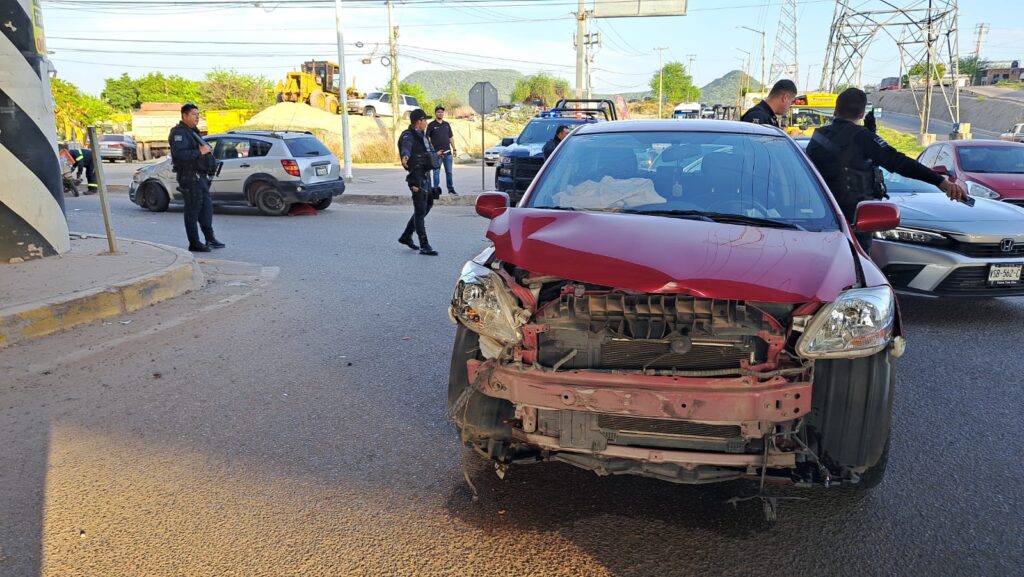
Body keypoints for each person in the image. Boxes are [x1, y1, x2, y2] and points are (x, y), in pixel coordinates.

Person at [806, 88, 967, 251]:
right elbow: (898, 162)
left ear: (835, 110)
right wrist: (940, 182)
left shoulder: (817, 137)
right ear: (862, 114)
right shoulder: (862, 137)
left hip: (816, 219)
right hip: (855, 222)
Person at [169, 103, 224, 253]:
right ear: (185, 116)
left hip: (200, 177)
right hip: (189, 177)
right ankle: (194, 242)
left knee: (206, 208)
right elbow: (180, 155)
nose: (197, 117)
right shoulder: (179, 133)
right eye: (194, 114)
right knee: (192, 210)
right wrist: (200, 151)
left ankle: (210, 238)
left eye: (198, 115)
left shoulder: (192, 131)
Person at [398, 109, 441, 256]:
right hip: (416, 178)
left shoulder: (423, 136)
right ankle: (424, 245)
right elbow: (406, 148)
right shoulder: (408, 136)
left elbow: (425, 154)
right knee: (420, 209)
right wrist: (405, 156)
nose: (426, 123)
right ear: (418, 122)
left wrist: (436, 155)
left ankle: (406, 236)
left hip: (425, 175)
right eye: (424, 120)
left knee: (427, 204)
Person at [427, 105, 458, 195]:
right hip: (437, 154)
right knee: (436, 173)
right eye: (438, 112)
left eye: (442, 112)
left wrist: (454, 149)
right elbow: (427, 138)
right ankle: (436, 190)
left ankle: (451, 189)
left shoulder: (446, 124)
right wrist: (432, 151)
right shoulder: (431, 125)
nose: (440, 113)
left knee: (449, 172)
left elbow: (450, 137)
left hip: (447, 153)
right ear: (435, 113)